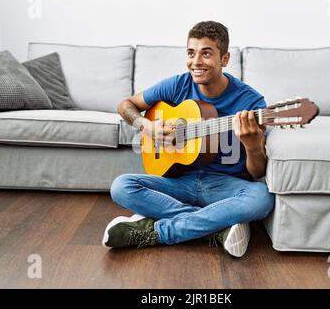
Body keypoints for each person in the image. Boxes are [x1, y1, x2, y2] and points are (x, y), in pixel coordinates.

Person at [102, 21, 274, 257]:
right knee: (121, 186)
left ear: (224, 59)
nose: (196, 62)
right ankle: (216, 226)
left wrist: (253, 146)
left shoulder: (251, 103)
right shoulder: (178, 85)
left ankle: (159, 232)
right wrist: (146, 126)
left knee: (261, 199)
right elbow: (126, 105)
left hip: (226, 186)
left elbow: (256, 173)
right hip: (180, 182)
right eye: (191, 53)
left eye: (206, 53)